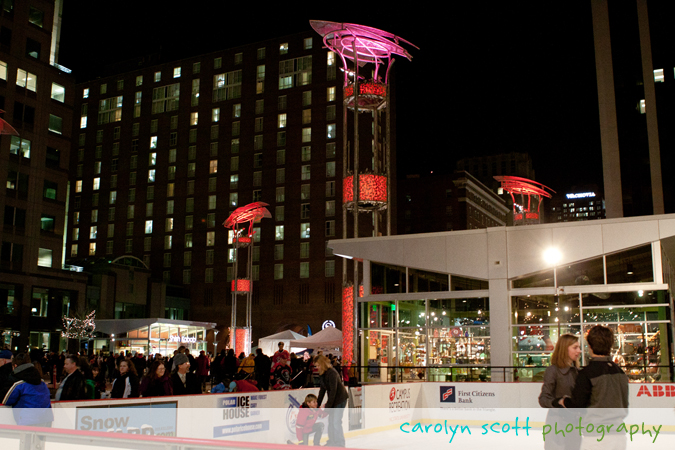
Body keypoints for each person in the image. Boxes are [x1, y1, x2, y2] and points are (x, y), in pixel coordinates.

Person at [556, 325, 629, 449]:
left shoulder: (587, 374)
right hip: (619, 436)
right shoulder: (620, 373)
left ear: (589, 346)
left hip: (596, 437)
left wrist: (563, 401)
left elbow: (577, 404)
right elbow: (624, 404)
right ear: (610, 345)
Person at [538, 334, 581, 450]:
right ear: (564, 348)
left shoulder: (578, 372)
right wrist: (559, 402)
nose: (579, 351)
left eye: (579, 347)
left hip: (576, 424)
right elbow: (543, 399)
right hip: (557, 424)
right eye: (575, 347)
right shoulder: (553, 371)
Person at [1, 353, 53, 426]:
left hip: (28, 419)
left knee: (27, 437)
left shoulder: (19, 385)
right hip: (46, 418)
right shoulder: (42, 383)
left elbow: (6, 400)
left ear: (15, 366)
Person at [316, 355, 348, 447]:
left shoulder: (332, 373)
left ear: (322, 364)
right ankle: (332, 441)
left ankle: (340, 444)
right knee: (331, 421)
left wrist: (327, 407)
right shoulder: (322, 374)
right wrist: (317, 405)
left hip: (340, 399)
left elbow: (334, 391)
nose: (317, 367)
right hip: (333, 400)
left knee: (336, 422)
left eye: (318, 365)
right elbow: (322, 390)